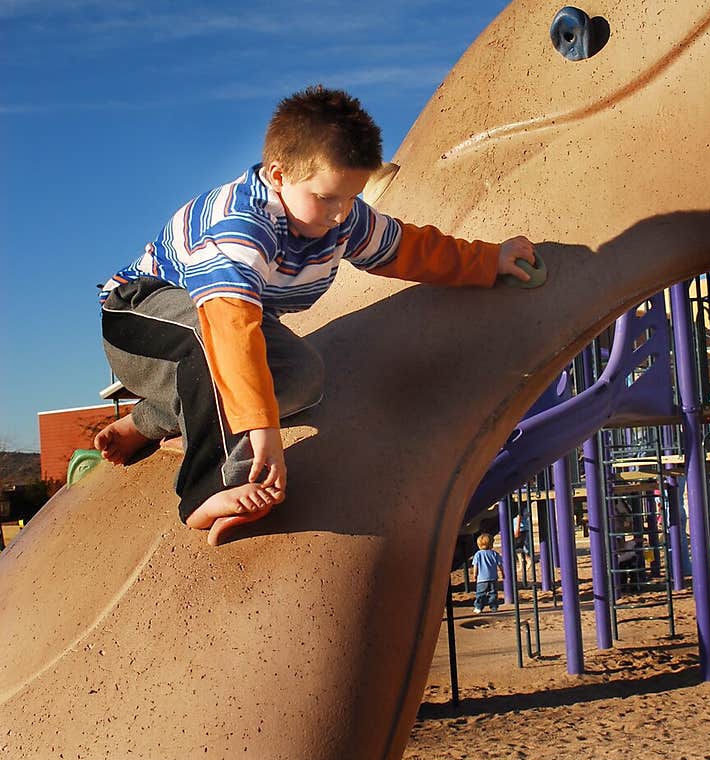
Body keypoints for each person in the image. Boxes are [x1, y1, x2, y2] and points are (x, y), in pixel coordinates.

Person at [95, 86, 539, 546]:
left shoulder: (342, 220)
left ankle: (147, 421)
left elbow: (410, 249)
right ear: (279, 175)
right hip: (140, 313)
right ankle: (207, 492)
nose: (339, 213)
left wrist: (490, 261)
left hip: (219, 331)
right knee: (214, 348)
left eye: (352, 197)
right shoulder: (241, 227)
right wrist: (262, 431)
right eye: (326, 198)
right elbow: (228, 329)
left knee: (303, 377)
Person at [471, 532, 504, 612]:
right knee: (493, 593)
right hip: (493, 578)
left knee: (480, 593)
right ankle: (493, 607)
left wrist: (475, 575)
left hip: (481, 579)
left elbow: (476, 566)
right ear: (491, 544)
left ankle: (478, 607)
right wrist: (503, 573)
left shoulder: (478, 554)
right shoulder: (494, 554)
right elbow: (500, 564)